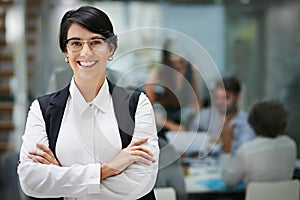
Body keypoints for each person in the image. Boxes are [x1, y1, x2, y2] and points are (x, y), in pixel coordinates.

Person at [17, 6, 159, 200]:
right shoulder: (41, 110)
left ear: (111, 49)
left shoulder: (137, 105)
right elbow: (30, 180)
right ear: (66, 52)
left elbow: (138, 183)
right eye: (76, 43)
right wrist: (108, 169)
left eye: (96, 42)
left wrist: (62, 180)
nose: (86, 52)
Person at [221, 100, 297, 186]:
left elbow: (229, 180)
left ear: (252, 122)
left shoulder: (247, 150)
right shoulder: (291, 145)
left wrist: (227, 146)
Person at [144, 40, 201, 141]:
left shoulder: (191, 71)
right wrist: (172, 127)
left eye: (182, 62)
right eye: (174, 62)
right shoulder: (157, 73)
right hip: (162, 123)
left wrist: (193, 126)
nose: (178, 66)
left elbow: (195, 103)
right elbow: (148, 110)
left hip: (184, 122)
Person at [191, 76, 255, 155]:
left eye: (225, 98)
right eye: (217, 97)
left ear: (238, 96)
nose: (219, 102)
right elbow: (190, 143)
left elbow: (244, 153)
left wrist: (225, 143)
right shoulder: (205, 115)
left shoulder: (247, 122)